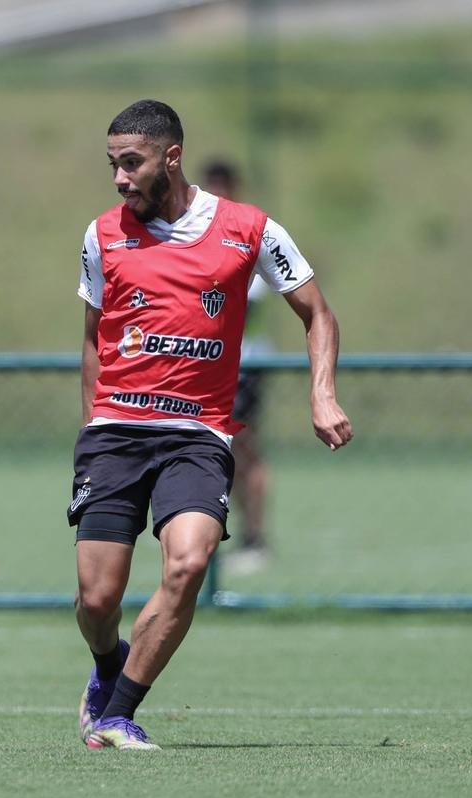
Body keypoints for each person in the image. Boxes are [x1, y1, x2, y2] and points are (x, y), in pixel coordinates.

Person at [70, 100, 352, 749]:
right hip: (114, 431)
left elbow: (317, 314)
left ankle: (118, 711)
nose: (118, 178)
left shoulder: (249, 229)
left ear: (171, 157)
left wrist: (322, 394)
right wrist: (91, 426)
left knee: (188, 562)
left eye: (130, 163)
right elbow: (91, 339)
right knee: (94, 600)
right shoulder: (100, 236)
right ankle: (108, 662)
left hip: (196, 435)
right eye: (112, 164)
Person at [200, 159, 272, 575]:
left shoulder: (248, 234)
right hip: (202, 363)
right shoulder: (191, 232)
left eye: (223, 187)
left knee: (243, 452)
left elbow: (239, 302)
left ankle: (255, 537)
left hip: (243, 365)